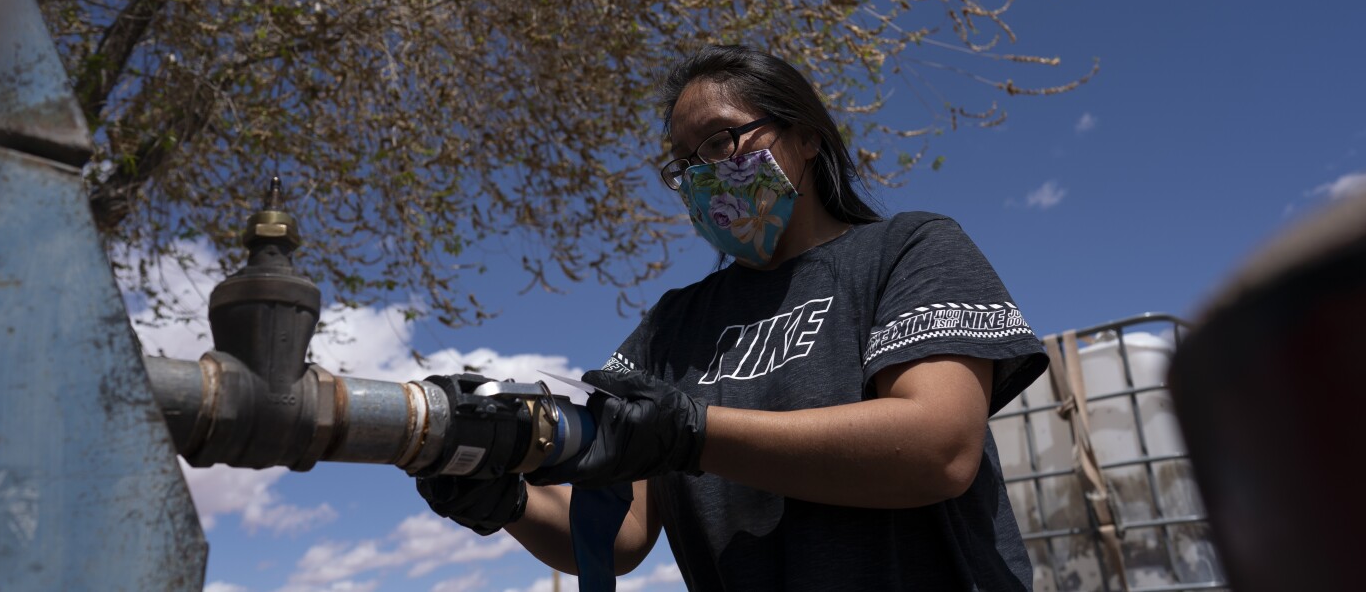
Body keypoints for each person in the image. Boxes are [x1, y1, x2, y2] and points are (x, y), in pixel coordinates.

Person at [417, 44, 1049, 590]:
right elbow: (622, 529)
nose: (704, 175)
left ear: (806, 137)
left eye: (721, 141)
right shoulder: (671, 327)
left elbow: (939, 448)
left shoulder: (906, 250)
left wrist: (693, 433)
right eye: (684, 163)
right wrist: (505, 498)